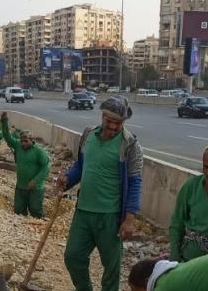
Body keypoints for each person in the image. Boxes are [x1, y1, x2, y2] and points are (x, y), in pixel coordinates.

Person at [57, 96, 143, 291]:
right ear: (102, 116)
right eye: (109, 121)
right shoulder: (88, 135)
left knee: (111, 269)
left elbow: (136, 182)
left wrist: (129, 219)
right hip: (84, 212)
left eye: (118, 123)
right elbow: (81, 165)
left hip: (110, 216)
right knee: (73, 256)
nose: (112, 126)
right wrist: (67, 179)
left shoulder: (130, 145)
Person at [0, 112, 51, 217]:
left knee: (35, 211)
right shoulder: (18, 145)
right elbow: (7, 137)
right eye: (22, 141)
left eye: (26, 141)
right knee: (18, 211)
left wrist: (35, 181)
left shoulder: (38, 151)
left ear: (32, 140)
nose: (23, 143)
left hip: (35, 188)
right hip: (21, 186)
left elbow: (46, 166)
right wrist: (4, 121)